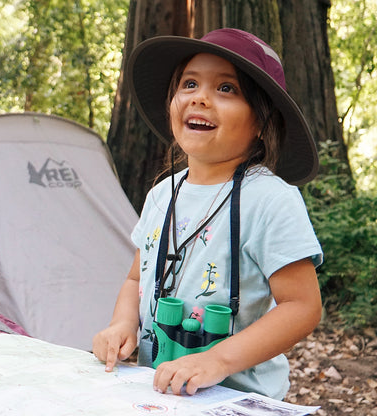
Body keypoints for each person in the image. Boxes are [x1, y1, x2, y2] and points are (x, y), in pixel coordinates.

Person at [92, 28, 323, 401]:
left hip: (239, 400)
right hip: (163, 394)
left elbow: (302, 307)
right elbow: (136, 279)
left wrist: (217, 360)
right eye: (189, 84)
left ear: (261, 122)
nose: (199, 97)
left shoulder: (270, 199)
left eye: (226, 88)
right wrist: (122, 323)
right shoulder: (161, 194)